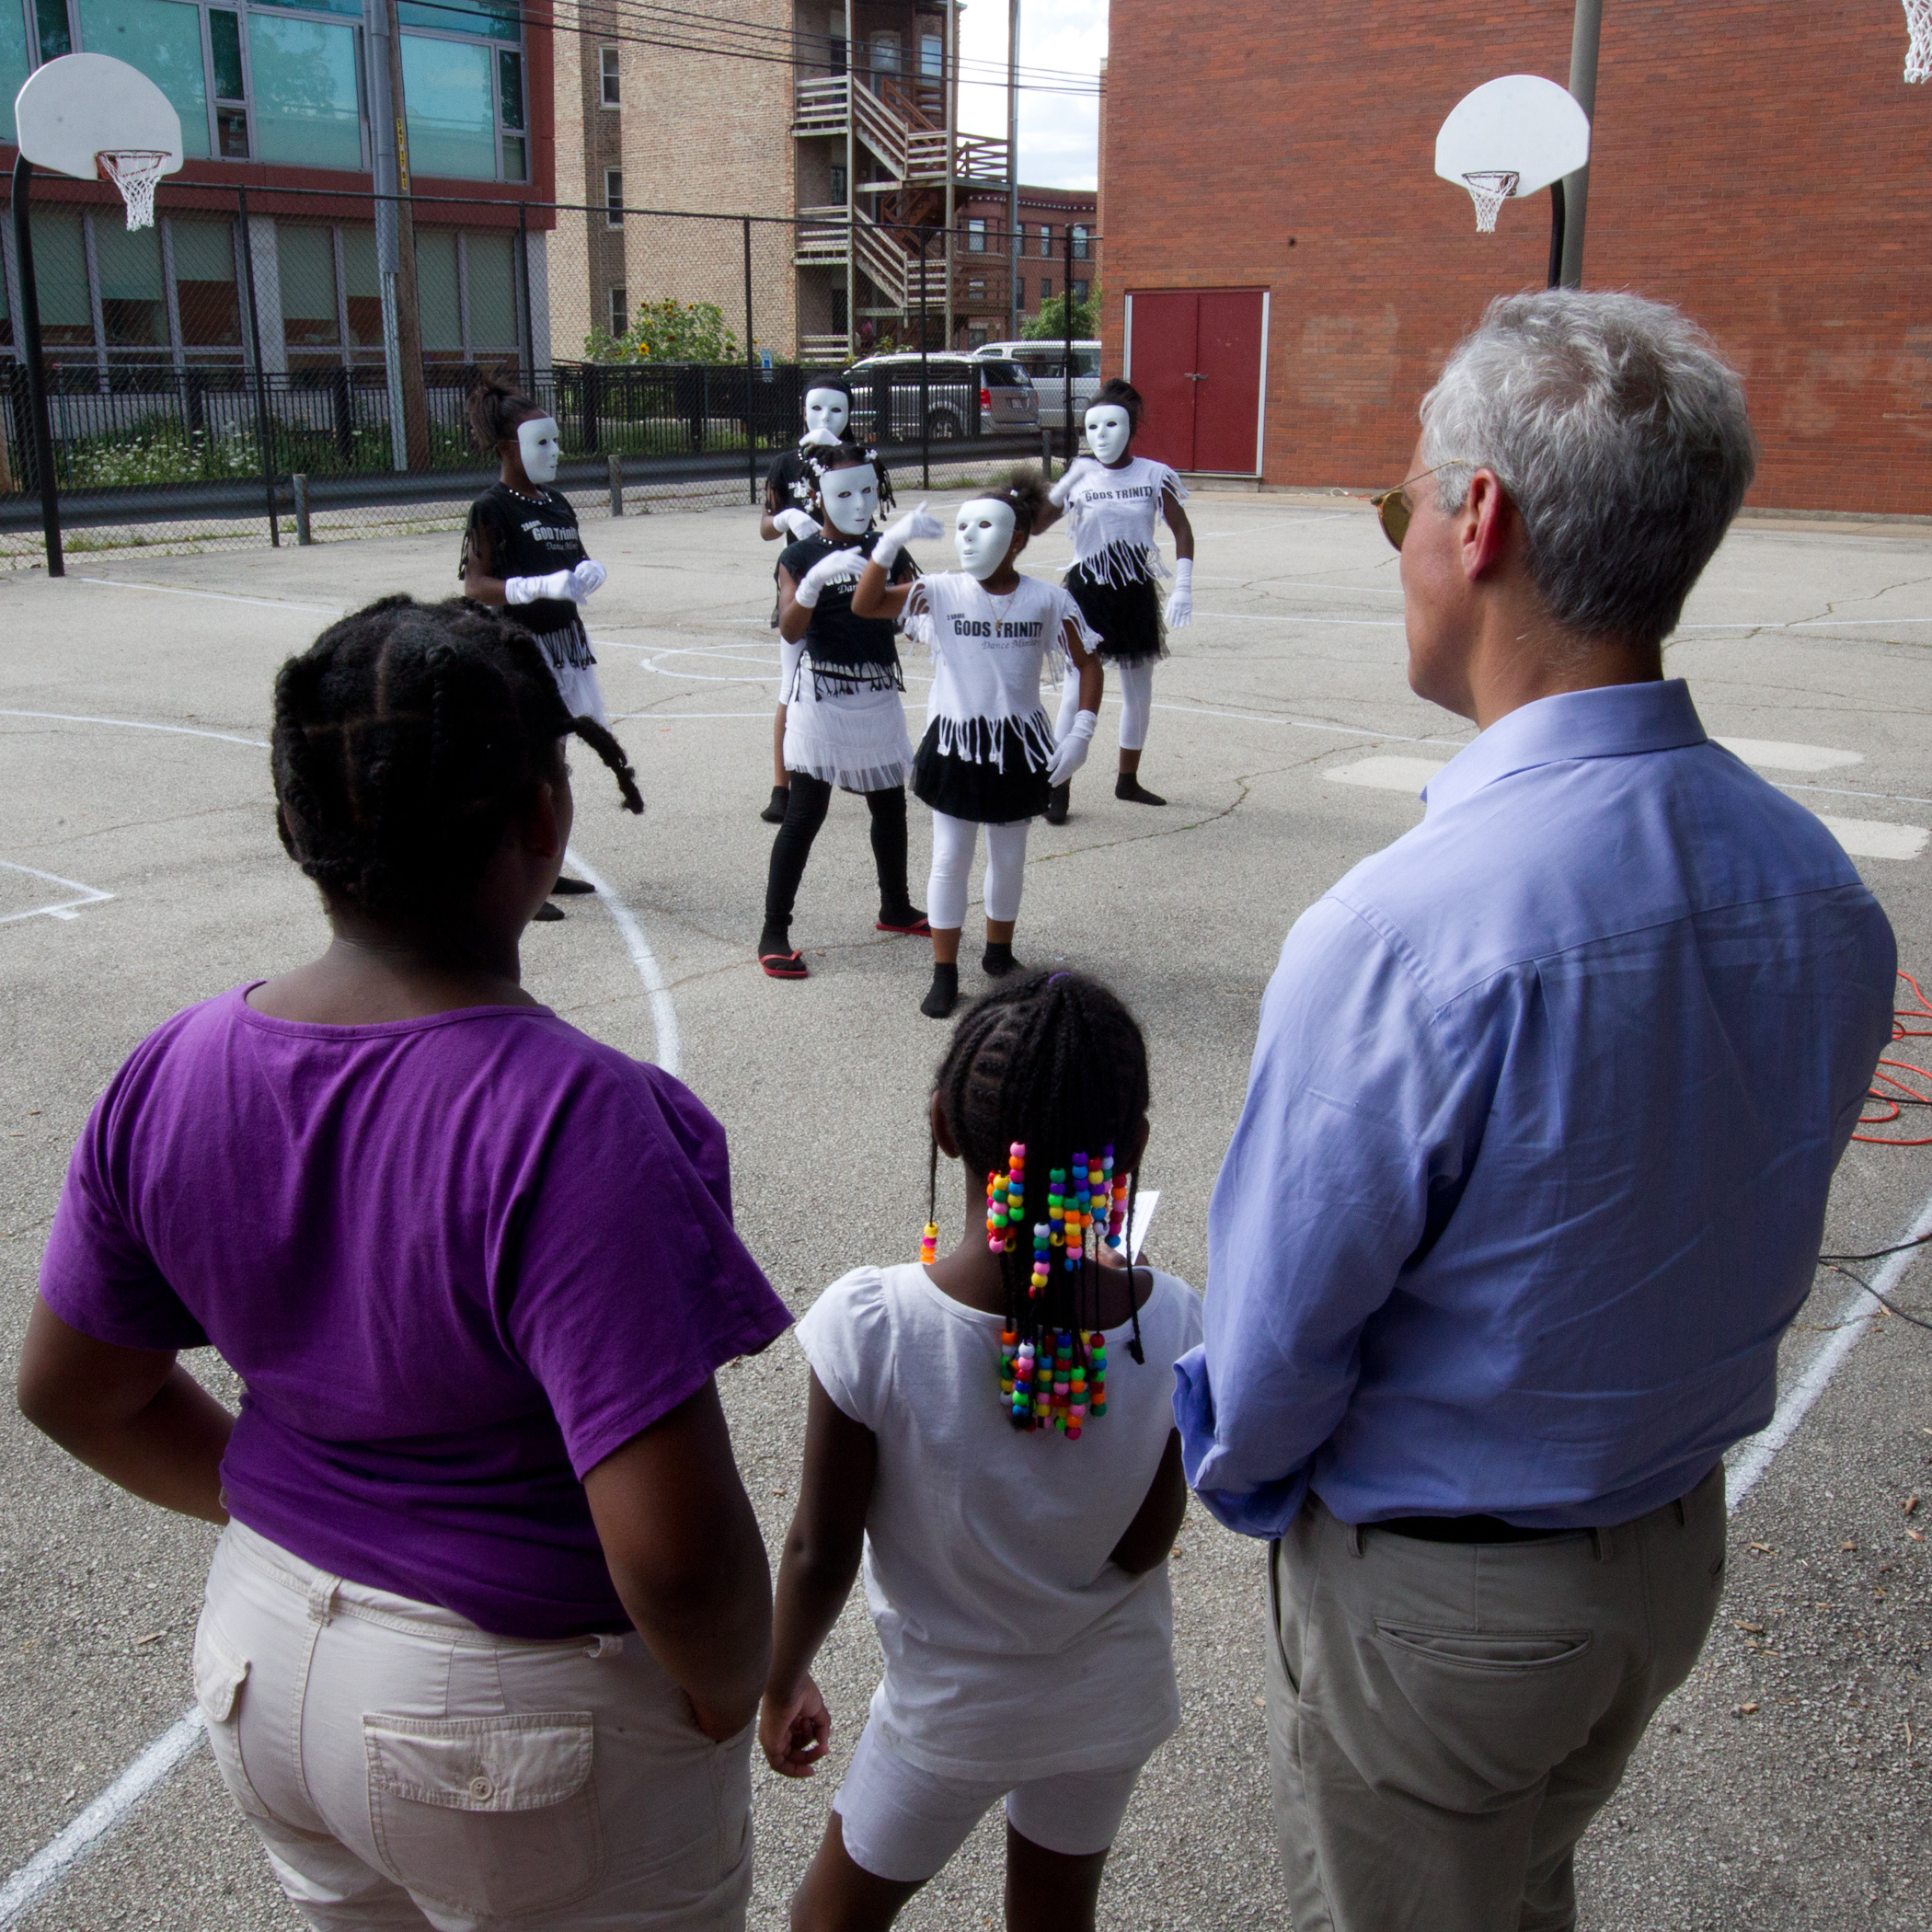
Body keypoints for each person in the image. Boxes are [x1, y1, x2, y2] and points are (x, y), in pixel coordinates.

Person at [1174, 289, 1897, 1932]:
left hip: (1450, 1594)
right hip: (1662, 1559)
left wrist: (1234, 1469)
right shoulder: (1819, 886)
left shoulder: (1407, 928)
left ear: (1475, 516)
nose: (1403, 546)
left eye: (1398, 506)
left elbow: (1282, 1346)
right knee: (1522, 1879)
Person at [17, 596, 793, 1931]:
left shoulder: (174, 1066)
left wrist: (303, 1513)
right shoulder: (582, 1120)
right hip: (517, 1716)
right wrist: (733, 1686)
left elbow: (72, 1389)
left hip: (262, 1661)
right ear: (547, 823)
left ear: (294, 828)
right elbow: (674, 1556)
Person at [760, 970, 1202, 1932]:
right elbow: (1142, 1543)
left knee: (828, 1922)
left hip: (949, 1718)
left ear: (943, 1124)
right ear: (1131, 1148)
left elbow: (817, 1550)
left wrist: (781, 1678)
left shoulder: (873, 1326)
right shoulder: (1168, 1321)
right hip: (1108, 1704)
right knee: (1053, 1918)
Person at [851, 472, 1104, 1019]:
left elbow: (1088, 663)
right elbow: (866, 605)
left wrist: (1081, 732)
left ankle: (998, 955)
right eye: (961, 526)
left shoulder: (1048, 599)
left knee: (1008, 857)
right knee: (950, 857)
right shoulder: (941, 591)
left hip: (1017, 745)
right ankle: (945, 971)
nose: (966, 537)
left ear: (1017, 538)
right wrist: (890, 542)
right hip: (957, 744)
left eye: (982, 526)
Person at [758, 443, 929, 979]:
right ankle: (773, 930)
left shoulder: (888, 548)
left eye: (867, 490)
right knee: (805, 812)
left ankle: (894, 906)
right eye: (843, 492)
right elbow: (790, 628)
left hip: (876, 690)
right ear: (819, 496)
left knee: (890, 805)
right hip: (823, 695)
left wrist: (930, 614)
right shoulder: (800, 556)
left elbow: (907, 612)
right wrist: (812, 584)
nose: (858, 502)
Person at [459, 370, 612, 919]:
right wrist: (534, 587)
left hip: (564, 645)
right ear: (507, 448)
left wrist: (585, 573)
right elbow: (476, 584)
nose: (555, 451)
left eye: (554, 439)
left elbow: (573, 559)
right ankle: (522, 877)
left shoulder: (556, 503)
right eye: (541, 442)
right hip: (521, 648)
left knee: (557, 764)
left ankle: (546, 867)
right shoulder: (492, 507)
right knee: (525, 770)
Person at [1035, 379, 1194, 821]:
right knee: (1073, 693)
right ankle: (1058, 787)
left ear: (1131, 427)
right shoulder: (1082, 475)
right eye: (1092, 426)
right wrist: (1067, 479)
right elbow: (1036, 526)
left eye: (1111, 424)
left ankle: (1128, 780)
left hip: (1134, 591)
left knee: (1137, 692)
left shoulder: (1152, 474)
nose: (1101, 435)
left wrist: (1183, 583)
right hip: (1087, 590)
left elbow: (1181, 530)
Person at [759, 377, 898, 825]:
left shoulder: (861, 459)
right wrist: (788, 517)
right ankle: (783, 785)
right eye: (816, 409)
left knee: (857, 675)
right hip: (802, 577)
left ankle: (857, 767)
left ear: (850, 413)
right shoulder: (784, 463)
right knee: (791, 682)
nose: (826, 420)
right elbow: (764, 526)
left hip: (852, 579)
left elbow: (869, 515)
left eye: (837, 411)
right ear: (802, 410)